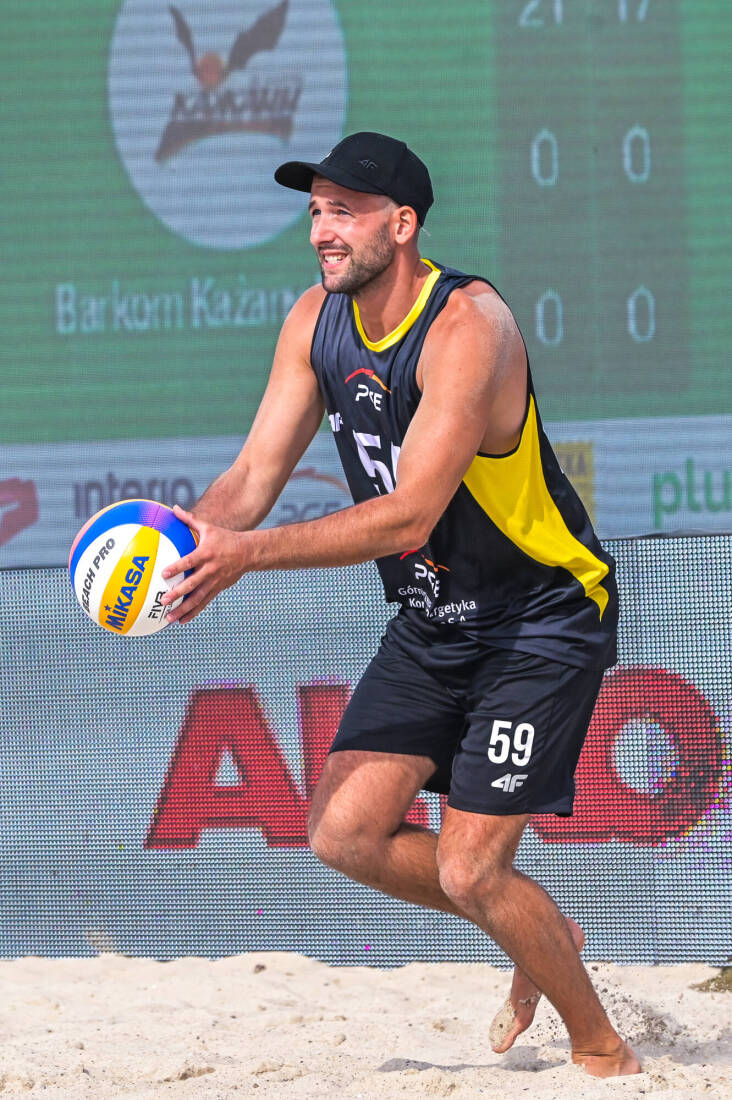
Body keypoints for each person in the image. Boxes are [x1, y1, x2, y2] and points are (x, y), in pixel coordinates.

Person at [161, 131, 641, 1078]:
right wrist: (183, 544)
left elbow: (408, 515)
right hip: (433, 618)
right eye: (314, 212)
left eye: (343, 211)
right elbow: (252, 477)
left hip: (539, 618)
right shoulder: (315, 320)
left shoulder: (469, 327)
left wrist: (249, 555)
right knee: (343, 835)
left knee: (471, 869)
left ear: (403, 223)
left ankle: (603, 1050)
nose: (321, 231)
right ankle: (538, 928)